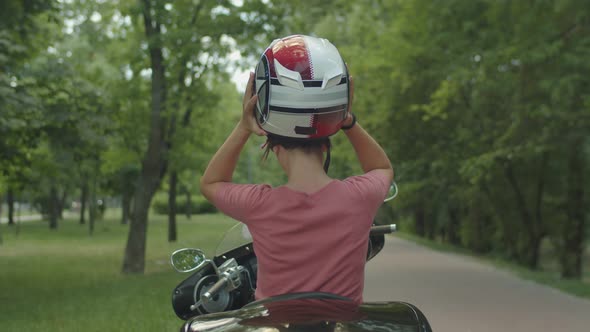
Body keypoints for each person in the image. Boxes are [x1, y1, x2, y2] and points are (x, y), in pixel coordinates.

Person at [200, 35, 393, 304]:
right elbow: (382, 168)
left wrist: (243, 127)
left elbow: (211, 183)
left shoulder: (260, 205)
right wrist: (348, 121)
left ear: (274, 147)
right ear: (326, 146)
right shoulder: (358, 198)